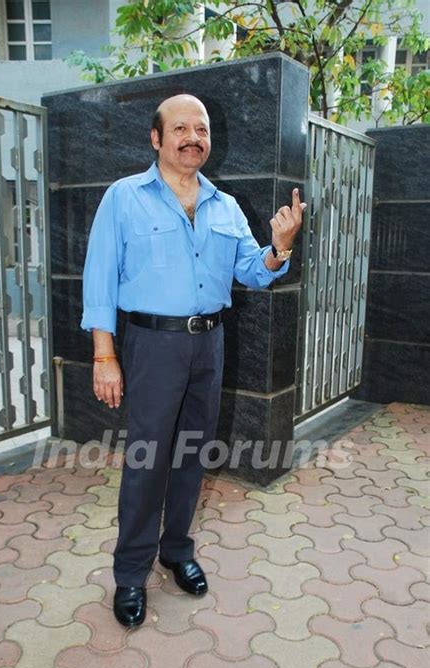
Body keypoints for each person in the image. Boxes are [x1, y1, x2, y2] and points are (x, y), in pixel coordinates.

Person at [80, 93, 306, 628]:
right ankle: (131, 574)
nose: (193, 137)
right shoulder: (124, 198)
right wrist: (103, 355)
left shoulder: (224, 206)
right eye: (180, 128)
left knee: (192, 454)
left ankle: (177, 551)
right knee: (146, 460)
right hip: (152, 344)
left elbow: (252, 270)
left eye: (201, 130)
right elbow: (99, 280)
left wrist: (280, 247)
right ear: (156, 139)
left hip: (209, 344)